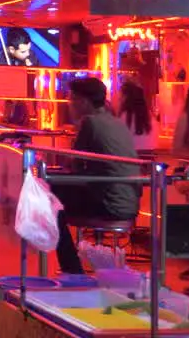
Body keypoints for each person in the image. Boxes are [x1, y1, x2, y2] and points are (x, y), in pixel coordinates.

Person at [51, 77, 140, 274]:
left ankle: (71, 268)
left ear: (82, 101)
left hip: (108, 202)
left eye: (71, 99)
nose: (69, 104)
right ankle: (72, 266)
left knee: (48, 200)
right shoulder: (116, 122)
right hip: (128, 201)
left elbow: (73, 163)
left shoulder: (90, 123)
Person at [117, 83, 156, 158]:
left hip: (130, 160)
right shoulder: (150, 116)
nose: (119, 99)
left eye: (121, 96)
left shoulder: (125, 117)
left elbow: (119, 143)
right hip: (149, 159)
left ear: (126, 98)